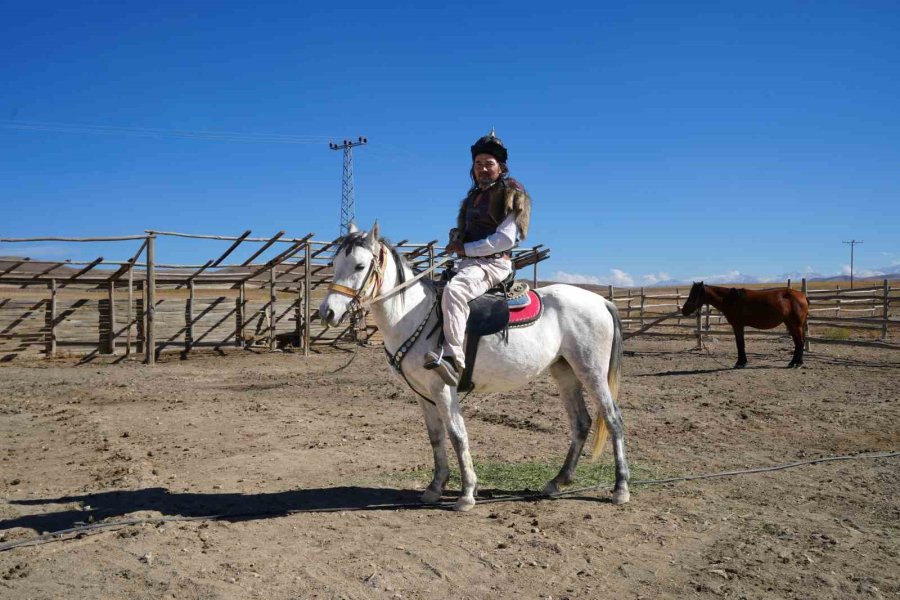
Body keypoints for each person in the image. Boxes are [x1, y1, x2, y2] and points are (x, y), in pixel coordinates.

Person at [424, 129, 531, 386]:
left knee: (455, 292)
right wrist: (457, 239)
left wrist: (466, 249)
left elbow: (505, 239)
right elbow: (469, 233)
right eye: (478, 164)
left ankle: (452, 359)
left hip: (494, 263)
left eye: (489, 164)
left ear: (501, 167)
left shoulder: (511, 192)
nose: (483, 169)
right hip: (470, 262)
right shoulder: (472, 198)